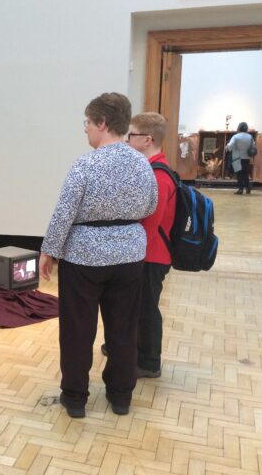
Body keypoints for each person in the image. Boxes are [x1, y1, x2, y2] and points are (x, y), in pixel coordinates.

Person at [39, 93, 157, 418]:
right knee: (123, 329)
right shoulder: (141, 163)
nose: (86, 130)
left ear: (102, 123)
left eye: (88, 123)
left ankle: (75, 398)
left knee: (78, 330)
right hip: (130, 256)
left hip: (84, 258)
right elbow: (150, 206)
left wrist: (49, 250)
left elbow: (64, 213)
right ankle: (121, 397)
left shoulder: (85, 164)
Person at [101, 113, 176, 379]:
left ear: (148, 140)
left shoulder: (158, 176)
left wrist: (129, 255)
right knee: (133, 305)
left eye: (131, 135)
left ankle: (148, 361)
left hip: (151, 256)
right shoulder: (151, 169)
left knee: (145, 309)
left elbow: (150, 225)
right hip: (146, 254)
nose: (126, 139)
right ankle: (126, 349)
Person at [226, 122, 255, 195]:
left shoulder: (236, 136)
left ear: (239, 128)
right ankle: (248, 188)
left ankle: (240, 189)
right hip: (247, 157)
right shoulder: (250, 137)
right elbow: (253, 146)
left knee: (239, 174)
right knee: (245, 173)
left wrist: (227, 147)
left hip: (237, 157)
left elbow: (230, 146)